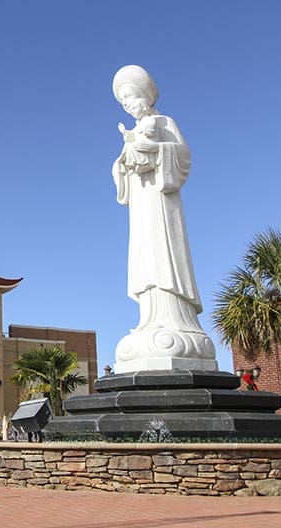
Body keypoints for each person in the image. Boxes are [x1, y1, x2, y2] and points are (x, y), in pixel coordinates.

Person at [112, 65, 208, 345]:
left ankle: (178, 318)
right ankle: (149, 317)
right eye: (124, 102)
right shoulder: (133, 132)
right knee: (145, 255)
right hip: (141, 203)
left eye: (130, 98)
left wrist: (156, 150)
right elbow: (123, 171)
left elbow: (183, 156)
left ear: (144, 96)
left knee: (164, 251)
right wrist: (123, 163)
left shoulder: (164, 123)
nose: (128, 105)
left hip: (162, 201)